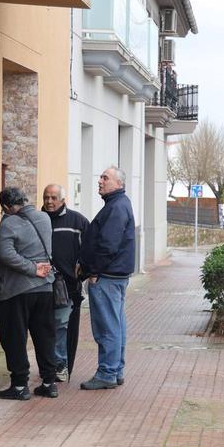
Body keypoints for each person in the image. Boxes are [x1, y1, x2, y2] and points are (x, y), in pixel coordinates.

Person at [0, 187, 59, 400]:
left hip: (16, 290)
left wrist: (31, 268)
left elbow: (5, 254)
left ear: (6, 206)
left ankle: (19, 386)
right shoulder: (44, 218)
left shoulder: (9, 222)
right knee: (45, 336)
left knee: (14, 337)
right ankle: (49, 383)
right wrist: (37, 269)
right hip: (45, 288)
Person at [78, 167, 135, 391]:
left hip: (107, 277)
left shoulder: (116, 207)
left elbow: (108, 245)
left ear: (118, 184)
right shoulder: (118, 204)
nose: (100, 181)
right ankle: (115, 370)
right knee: (116, 325)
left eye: (105, 178)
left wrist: (92, 271)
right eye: (100, 176)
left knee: (107, 327)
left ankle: (107, 373)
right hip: (114, 275)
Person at [42, 184, 89, 382]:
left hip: (66, 287)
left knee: (61, 325)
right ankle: (49, 364)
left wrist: (82, 269)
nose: (49, 202)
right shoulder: (38, 220)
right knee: (44, 326)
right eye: (46, 197)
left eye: (54, 198)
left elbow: (89, 249)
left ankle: (60, 365)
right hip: (41, 284)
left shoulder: (77, 221)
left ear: (63, 200)